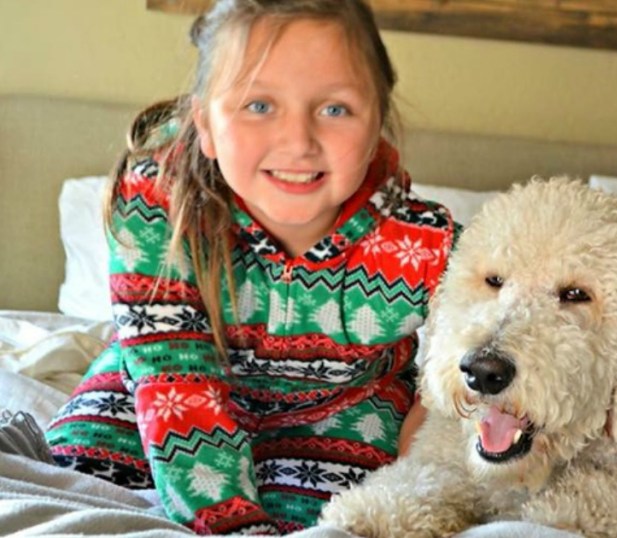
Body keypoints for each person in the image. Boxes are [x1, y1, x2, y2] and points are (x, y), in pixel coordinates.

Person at [45, 0, 453, 534]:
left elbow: (472, 361)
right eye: (259, 106)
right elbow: (171, 374)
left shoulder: (425, 242)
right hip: (170, 385)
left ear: (378, 119)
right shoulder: (158, 205)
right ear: (206, 124)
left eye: (334, 109)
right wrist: (231, 522)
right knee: (80, 460)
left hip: (343, 408)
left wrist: (426, 442)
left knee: (324, 517)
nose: (298, 142)